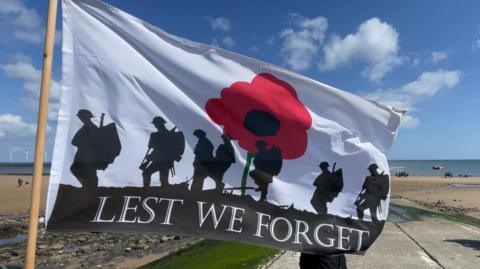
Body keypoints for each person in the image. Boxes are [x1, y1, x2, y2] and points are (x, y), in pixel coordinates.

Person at [140, 116, 184, 187]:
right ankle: (146, 190)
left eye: (156, 124)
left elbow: (151, 146)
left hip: (165, 161)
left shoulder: (157, 135)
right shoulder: (160, 135)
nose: (155, 125)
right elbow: (152, 147)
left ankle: (147, 189)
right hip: (158, 160)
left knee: (163, 182)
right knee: (146, 173)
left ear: (159, 124)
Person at [70, 109, 101, 189]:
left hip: (87, 156)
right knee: (84, 172)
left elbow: (75, 141)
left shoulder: (88, 128)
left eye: (81, 117)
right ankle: (89, 187)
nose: (80, 118)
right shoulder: (87, 128)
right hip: (85, 155)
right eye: (80, 117)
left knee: (87, 172)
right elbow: (74, 141)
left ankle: (90, 188)